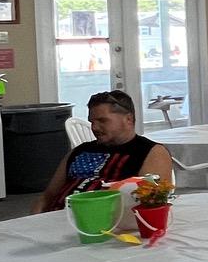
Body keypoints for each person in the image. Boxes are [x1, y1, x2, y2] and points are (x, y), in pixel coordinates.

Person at [36, 89, 172, 213]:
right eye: (92, 122)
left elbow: (151, 205)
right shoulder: (80, 151)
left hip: (106, 224)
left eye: (102, 121)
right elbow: (47, 197)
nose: (94, 127)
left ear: (128, 119)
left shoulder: (151, 152)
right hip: (56, 218)